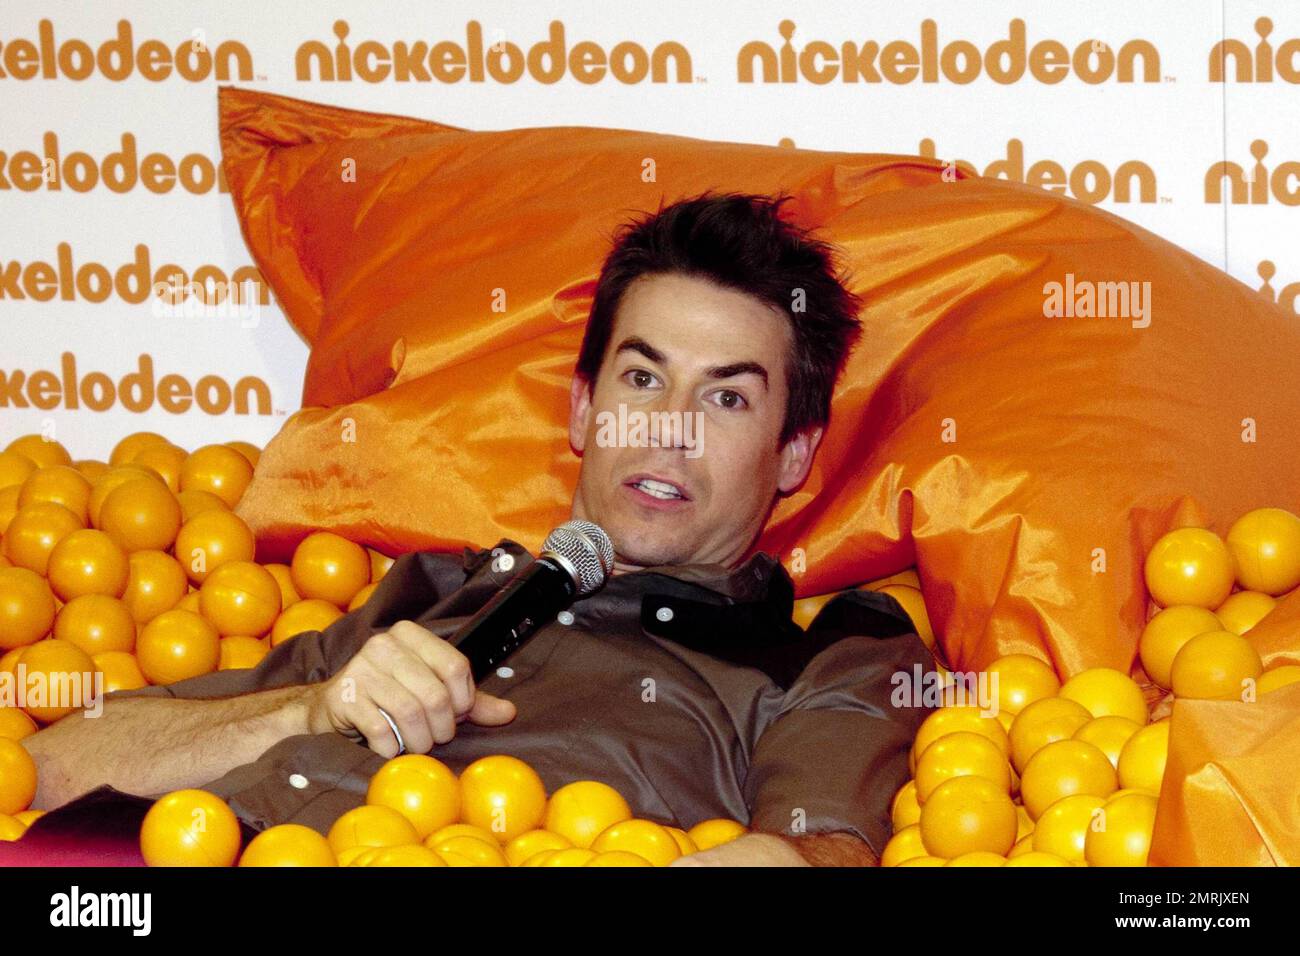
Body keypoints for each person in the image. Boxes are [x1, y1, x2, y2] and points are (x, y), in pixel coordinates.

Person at [21, 192, 933, 867]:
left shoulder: (833, 651)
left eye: (727, 397)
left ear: (791, 457)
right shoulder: (437, 590)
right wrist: (310, 706)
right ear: (583, 411)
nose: (668, 428)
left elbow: (815, 854)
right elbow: (52, 766)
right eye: (642, 380)